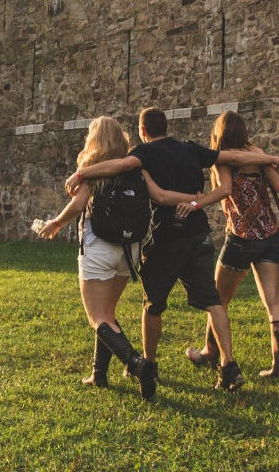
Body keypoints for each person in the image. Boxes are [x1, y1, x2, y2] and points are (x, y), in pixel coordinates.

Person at [65, 107, 279, 393]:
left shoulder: (144, 154)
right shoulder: (190, 149)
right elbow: (233, 157)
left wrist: (82, 173)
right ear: (167, 126)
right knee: (213, 301)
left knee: (153, 305)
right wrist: (273, 158)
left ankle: (149, 364)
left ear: (143, 131)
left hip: (167, 238)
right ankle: (229, 366)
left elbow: (126, 171)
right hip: (199, 236)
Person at [37, 116, 192, 400]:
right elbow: (158, 195)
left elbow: (79, 203)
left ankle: (137, 364)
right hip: (128, 250)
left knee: (97, 318)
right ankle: (99, 374)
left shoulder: (93, 167)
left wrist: (56, 223)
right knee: (107, 314)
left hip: (98, 248)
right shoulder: (134, 165)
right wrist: (195, 197)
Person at [182, 111, 279, 380]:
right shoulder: (258, 153)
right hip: (269, 234)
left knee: (218, 299)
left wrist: (195, 204)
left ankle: (210, 352)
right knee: (273, 302)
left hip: (241, 237)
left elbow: (225, 190)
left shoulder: (222, 158)